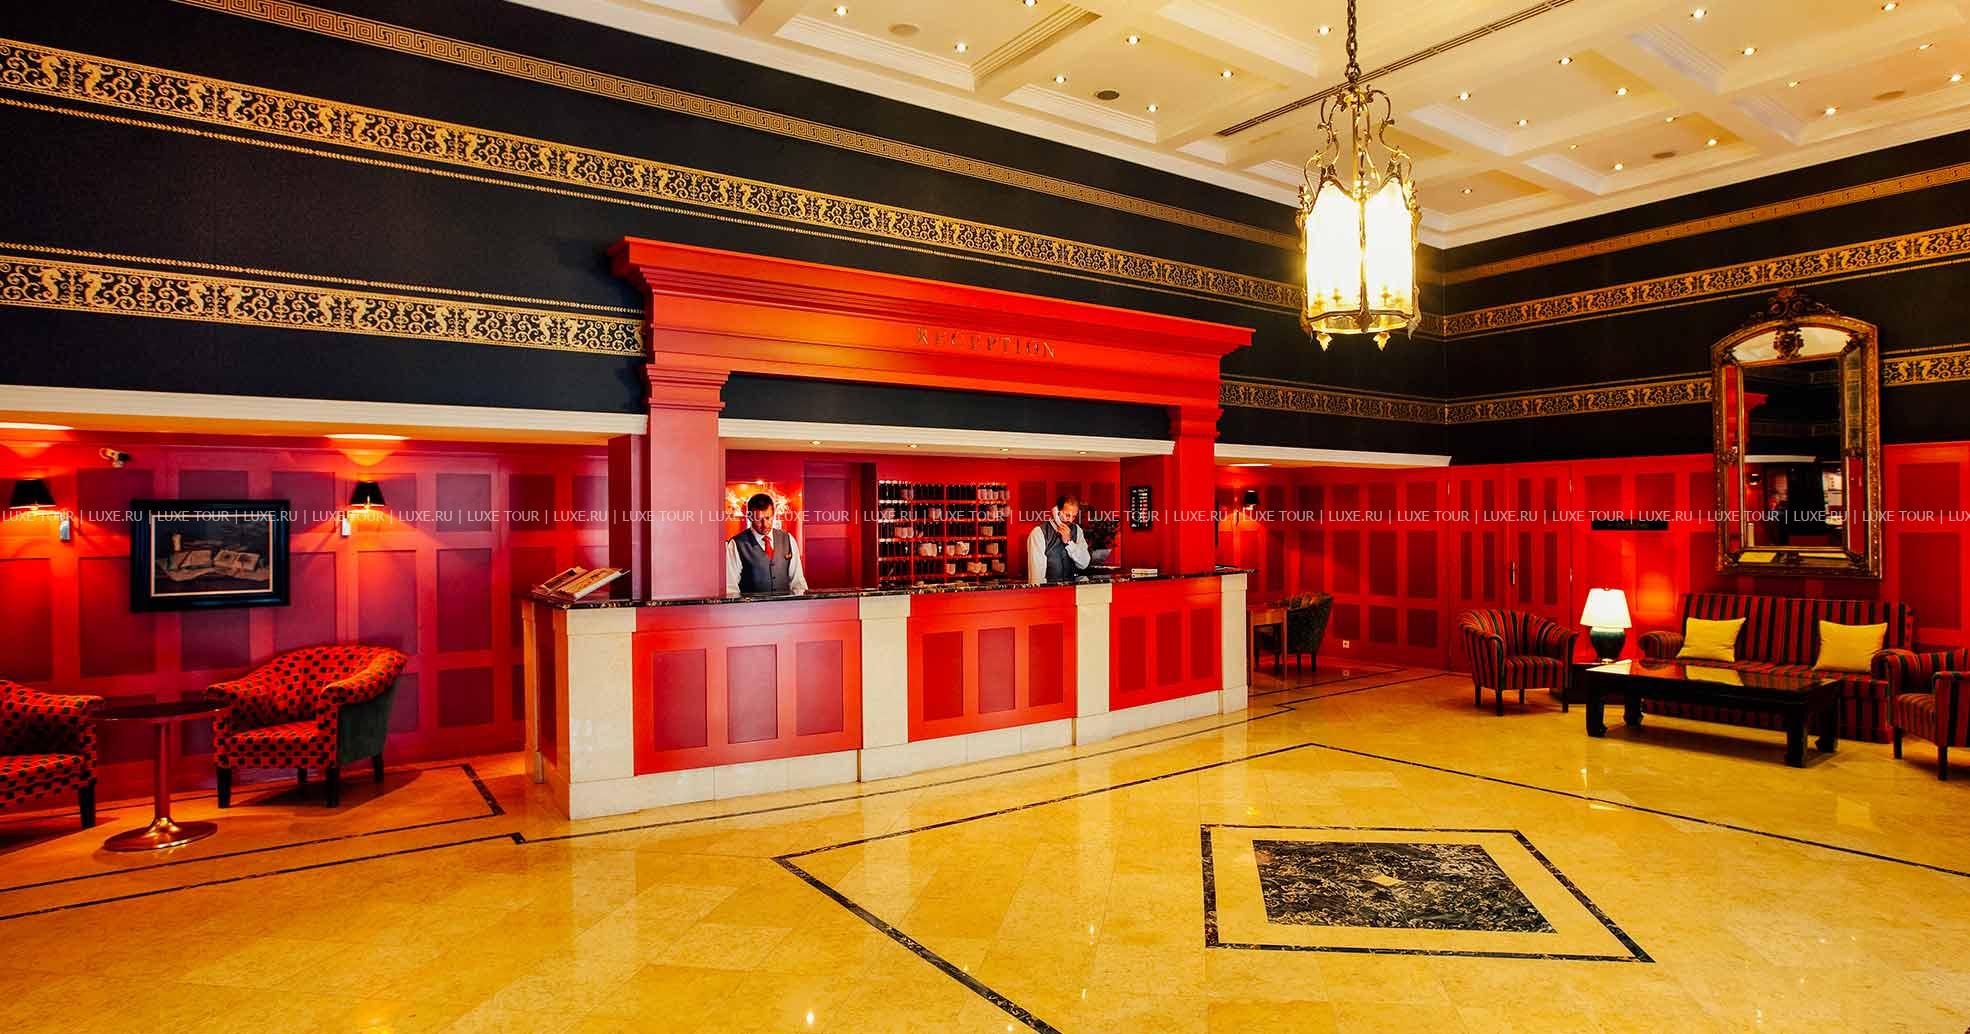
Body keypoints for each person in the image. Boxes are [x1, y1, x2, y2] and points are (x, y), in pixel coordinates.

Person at [725, 493, 808, 595]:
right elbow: (731, 589)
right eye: (759, 519)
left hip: (785, 604)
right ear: (750, 517)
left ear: (773, 515)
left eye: (768, 518)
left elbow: (798, 583)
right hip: (751, 605)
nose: (765, 525)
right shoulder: (736, 544)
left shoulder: (788, 539)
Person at [1026, 494, 1091, 585]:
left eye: (1074, 516)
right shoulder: (1038, 533)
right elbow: (1036, 577)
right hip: (1049, 591)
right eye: (1067, 515)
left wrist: (1069, 542)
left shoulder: (1077, 530)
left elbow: (1084, 563)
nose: (1070, 520)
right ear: (1057, 511)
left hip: (1072, 589)